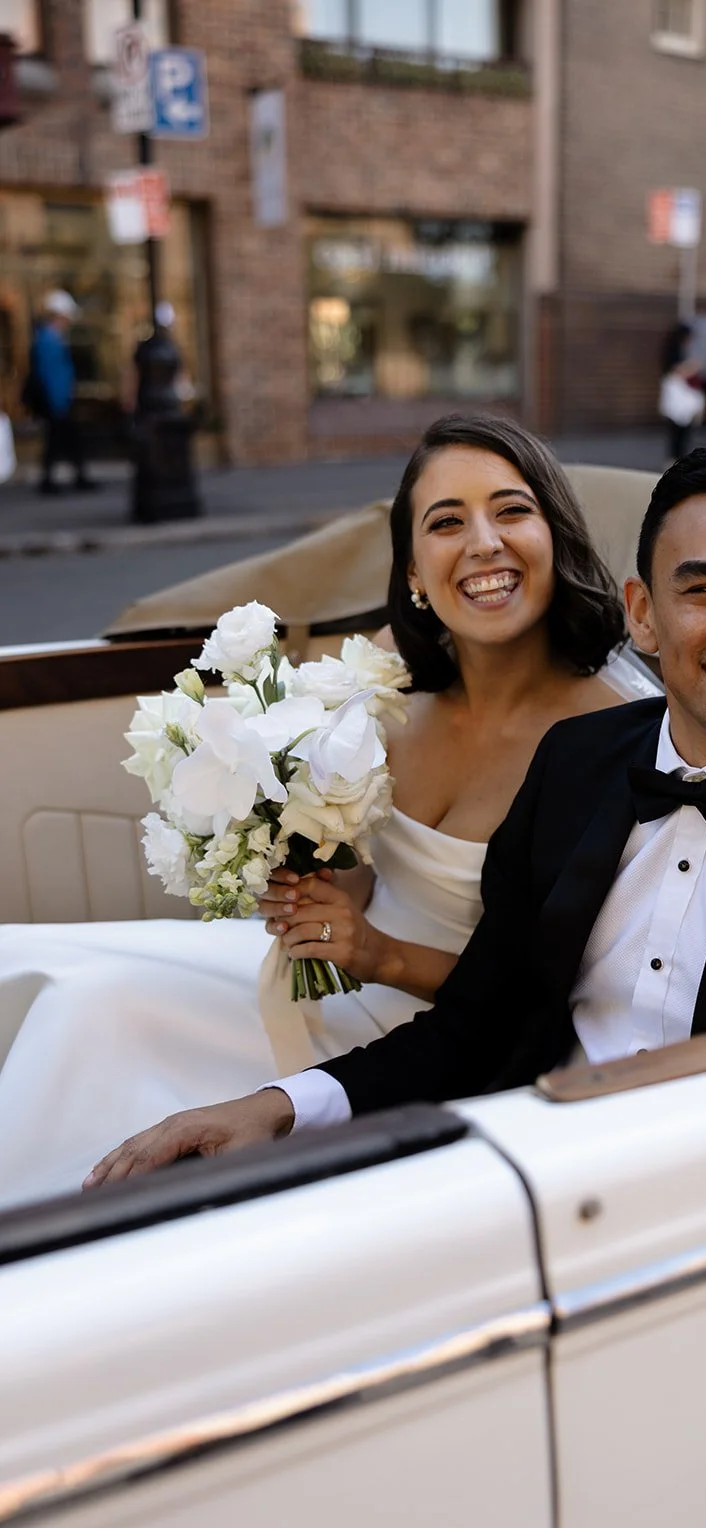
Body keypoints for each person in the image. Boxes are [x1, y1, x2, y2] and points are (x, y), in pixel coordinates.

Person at [87, 440, 706, 1184]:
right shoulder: (575, 764)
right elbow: (476, 1020)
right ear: (643, 613)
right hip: (511, 1151)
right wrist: (276, 1108)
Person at [0, 413, 659, 1207]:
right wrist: (302, 871)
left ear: (556, 537)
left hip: (420, 1040)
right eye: (446, 522)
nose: (482, 542)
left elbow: (557, 1006)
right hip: (304, 980)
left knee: (95, 1036)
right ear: (415, 570)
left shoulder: (611, 736)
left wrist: (376, 953)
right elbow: (354, 870)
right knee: (66, 984)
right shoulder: (384, 675)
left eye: (512, 510)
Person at [26, 289, 97, 496]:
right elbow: (50, 375)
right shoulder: (48, 340)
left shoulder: (50, 338)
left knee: (63, 441)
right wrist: (58, 403)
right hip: (57, 401)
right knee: (59, 441)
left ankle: (72, 478)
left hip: (59, 400)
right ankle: (61, 480)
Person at [659, 320, 704, 464]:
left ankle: (677, 458)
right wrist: (693, 366)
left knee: (680, 429)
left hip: (679, 393)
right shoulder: (674, 352)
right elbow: (676, 372)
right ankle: (675, 459)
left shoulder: (679, 350)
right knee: (678, 428)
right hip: (677, 393)